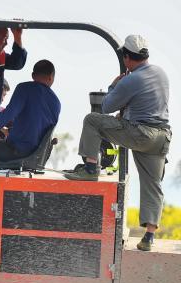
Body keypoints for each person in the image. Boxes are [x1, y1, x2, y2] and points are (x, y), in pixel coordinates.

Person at [65, 35, 170, 251]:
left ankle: (91, 167)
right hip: (161, 137)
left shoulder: (131, 80)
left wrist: (114, 86)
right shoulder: (160, 73)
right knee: (152, 184)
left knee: (91, 120)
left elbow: (106, 107)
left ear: (126, 58)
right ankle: (149, 237)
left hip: (140, 133)